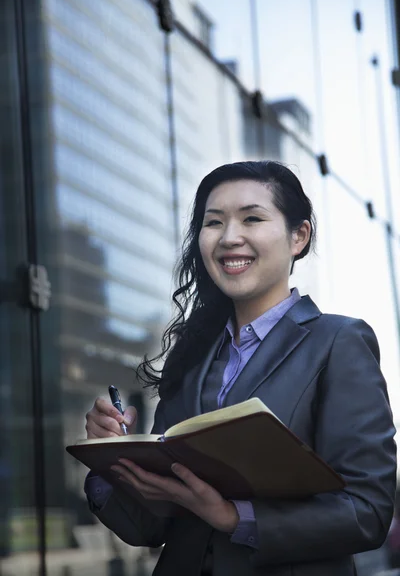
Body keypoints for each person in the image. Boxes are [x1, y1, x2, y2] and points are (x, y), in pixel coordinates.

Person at [84, 161, 396, 576]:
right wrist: (111, 460)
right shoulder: (191, 355)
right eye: (214, 223)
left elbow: (367, 511)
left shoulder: (338, 342)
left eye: (252, 218)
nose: (230, 237)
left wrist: (235, 517)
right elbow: (149, 527)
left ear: (298, 236)